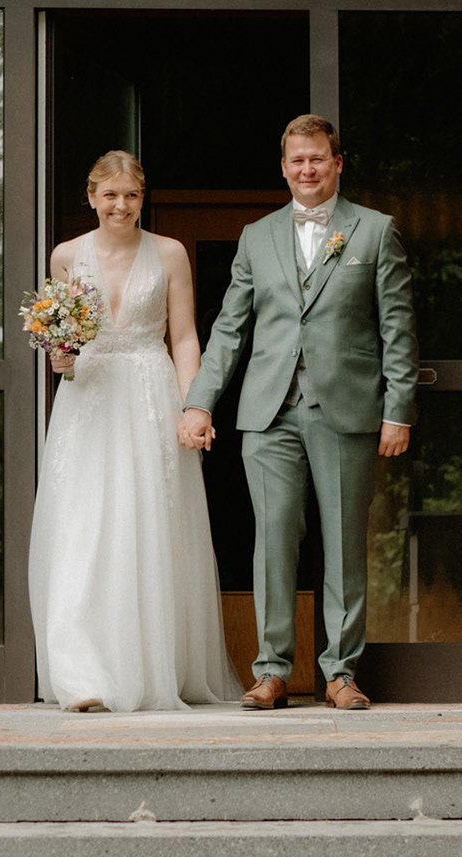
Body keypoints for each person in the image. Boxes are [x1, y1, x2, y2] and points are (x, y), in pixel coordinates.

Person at [180, 114, 417, 710]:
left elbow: (398, 329)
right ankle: (273, 672)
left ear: (337, 164)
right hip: (269, 412)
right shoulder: (256, 236)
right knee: (273, 542)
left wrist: (399, 409)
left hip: (346, 409)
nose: (306, 169)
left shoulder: (375, 231)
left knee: (343, 544)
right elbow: (229, 328)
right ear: (283, 167)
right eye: (296, 160)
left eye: (317, 158)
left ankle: (340, 672)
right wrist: (199, 401)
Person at [28, 150, 242, 713]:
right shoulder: (66, 255)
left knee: (149, 523)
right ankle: (83, 677)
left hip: (150, 392)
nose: (120, 206)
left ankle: (148, 670)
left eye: (132, 195)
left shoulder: (169, 253)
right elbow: (61, 335)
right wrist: (61, 357)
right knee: (84, 526)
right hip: (89, 400)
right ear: (91, 197)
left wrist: (195, 408)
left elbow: (186, 337)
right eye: (110, 195)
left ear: (142, 198)